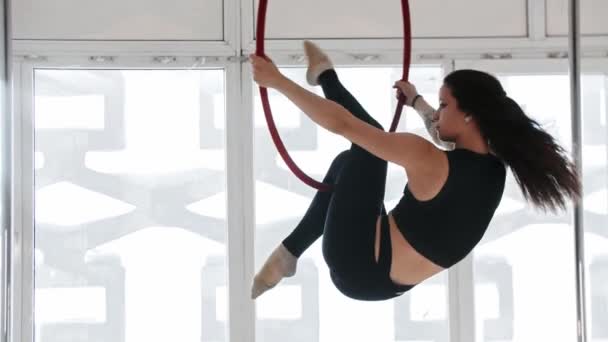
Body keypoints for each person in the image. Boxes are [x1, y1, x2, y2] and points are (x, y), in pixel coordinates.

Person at [249, 41, 581, 301]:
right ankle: (288, 254)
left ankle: (325, 76)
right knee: (348, 163)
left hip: (358, 264)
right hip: (381, 281)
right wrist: (417, 102)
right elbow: (444, 132)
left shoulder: (428, 160)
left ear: (470, 115)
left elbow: (343, 124)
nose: (437, 112)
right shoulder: (493, 170)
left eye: (444, 104)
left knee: (366, 153)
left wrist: (277, 81)